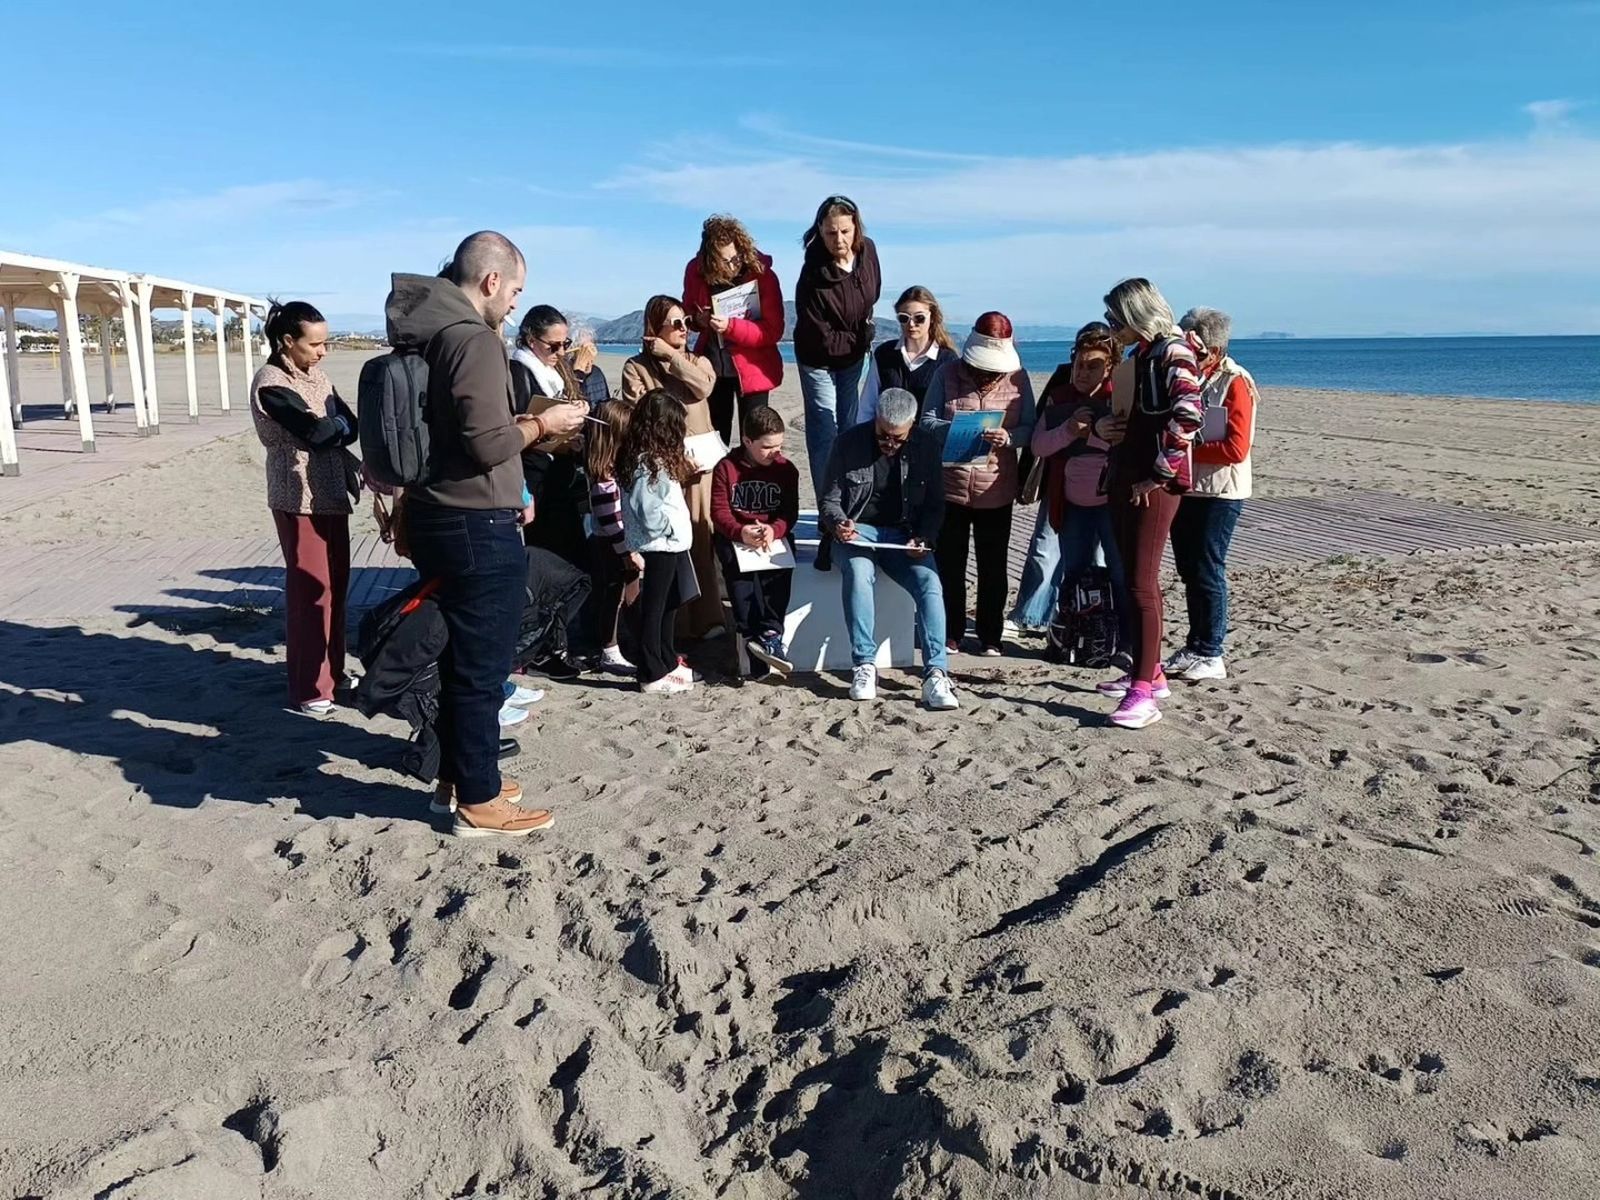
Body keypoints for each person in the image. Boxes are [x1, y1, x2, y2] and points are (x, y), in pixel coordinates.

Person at [386, 231, 584, 835]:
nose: (516, 304)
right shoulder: (471, 339)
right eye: (516, 291)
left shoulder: (429, 331)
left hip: (439, 510)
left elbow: (459, 433)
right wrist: (542, 423)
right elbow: (484, 443)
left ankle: (458, 778)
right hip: (475, 519)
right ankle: (479, 798)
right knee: (481, 663)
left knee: (461, 657)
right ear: (491, 281)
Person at [1095, 278, 1205, 729]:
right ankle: (1150, 671)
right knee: (1133, 577)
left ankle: (1144, 690)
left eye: (1115, 318)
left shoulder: (1173, 352)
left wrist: (1158, 474)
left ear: (1136, 313)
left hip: (1152, 483)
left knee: (1142, 582)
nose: (1110, 327)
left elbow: (1189, 413)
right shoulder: (1141, 355)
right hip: (1128, 475)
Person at [249, 300, 359, 718]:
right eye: (315, 344)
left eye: (326, 343)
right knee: (311, 591)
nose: (322, 351)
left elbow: (349, 424)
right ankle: (309, 687)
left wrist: (335, 430)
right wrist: (332, 430)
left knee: (337, 587)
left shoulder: (320, 376)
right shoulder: (271, 381)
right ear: (287, 341)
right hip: (297, 498)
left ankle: (334, 674)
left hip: (331, 492)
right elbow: (316, 430)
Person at [819, 387, 958, 711]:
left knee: (930, 583)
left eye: (898, 438)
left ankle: (936, 673)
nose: (890, 444)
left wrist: (925, 538)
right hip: (858, 530)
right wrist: (839, 523)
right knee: (858, 569)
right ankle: (864, 665)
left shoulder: (926, 446)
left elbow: (936, 505)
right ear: (875, 421)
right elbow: (829, 500)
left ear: (911, 428)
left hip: (904, 533)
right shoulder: (848, 443)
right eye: (884, 435)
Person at [923, 312, 1037, 657]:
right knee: (951, 565)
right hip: (951, 486)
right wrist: (954, 429)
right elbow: (925, 421)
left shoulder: (1018, 379)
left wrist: (1009, 437)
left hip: (996, 488)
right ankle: (952, 632)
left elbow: (1031, 427)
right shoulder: (946, 373)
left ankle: (991, 635)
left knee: (993, 567)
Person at [619, 296, 725, 640]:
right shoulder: (636, 367)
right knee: (665, 550)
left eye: (687, 323)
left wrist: (673, 358)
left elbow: (704, 386)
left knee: (701, 543)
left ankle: (709, 619)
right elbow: (639, 416)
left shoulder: (698, 360)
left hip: (702, 465)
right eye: (675, 324)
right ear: (655, 329)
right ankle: (673, 625)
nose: (684, 329)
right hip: (661, 468)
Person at [1011, 322, 1121, 633]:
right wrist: (1070, 430)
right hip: (1067, 494)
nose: (1084, 372)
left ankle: (1111, 626)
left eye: (1094, 366)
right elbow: (1039, 445)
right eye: (1079, 364)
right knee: (1066, 561)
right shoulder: (1061, 395)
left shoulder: (1122, 399)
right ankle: (1055, 620)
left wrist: (1098, 435)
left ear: (1111, 367)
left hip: (1110, 499)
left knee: (1111, 565)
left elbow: (1129, 449)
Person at [1167, 306, 1258, 683]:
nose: (1192, 357)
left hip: (1220, 491)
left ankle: (1211, 650)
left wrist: (1183, 444)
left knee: (1208, 568)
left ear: (1215, 350)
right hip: (1189, 486)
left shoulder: (1235, 381)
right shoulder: (1189, 376)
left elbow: (1236, 447)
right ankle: (1196, 643)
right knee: (1190, 569)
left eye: (1198, 351)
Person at [794, 195, 882, 541]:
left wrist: (864, 335)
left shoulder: (869, 251)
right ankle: (827, 513)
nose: (839, 240)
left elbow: (872, 295)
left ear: (856, 227)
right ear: (819, 232)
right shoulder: (813, 273)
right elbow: (823, 336)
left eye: (845, 231)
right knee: (825, 431)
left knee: (850, 428)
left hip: (852, 356)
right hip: (817, 358)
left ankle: (852, 504)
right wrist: (861, 339)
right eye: (831, 233)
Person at [618, 389, 699, 694]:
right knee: (654, 607)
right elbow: (646, 507)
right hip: (660, 544)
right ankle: (651, 670)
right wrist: (667, 529)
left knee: (669, 605)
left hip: (670, 543)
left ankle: (665, 658)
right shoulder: (646, 462)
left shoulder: (653, 459)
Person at [711, 405, 799, 678]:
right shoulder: (726, 468)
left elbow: (789, 512)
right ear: (748, 441)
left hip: (771, 536)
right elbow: (719, 512)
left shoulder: (786, 469)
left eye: (779, 445)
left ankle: (772, 633)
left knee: (778, 579)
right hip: (737, 538)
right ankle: (751, 639)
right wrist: (741, 532)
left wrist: (775, 530)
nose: (775, 453)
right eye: (767, 447)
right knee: (742, 587)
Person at [683, 214, 785, 444]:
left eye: (736, 258)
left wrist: (731, 327)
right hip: (713, 366)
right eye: (724, 261)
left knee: (755, 439)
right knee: (716, 438)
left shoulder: (762, 274)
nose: (732, 265)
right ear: (709, 259)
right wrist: (698, 319)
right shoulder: (695, 271)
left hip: (753, 369)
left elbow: (773, 330)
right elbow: (687, 311)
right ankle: (722, 480)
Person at [509, 305, 590, 569]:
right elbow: (516, 430)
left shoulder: (556, 371)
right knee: (547, 556)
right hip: (537, 479)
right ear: (531, 340)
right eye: (552, 346)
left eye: (565, 344)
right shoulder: (518, 372)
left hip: (561, 475)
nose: (561, 352)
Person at [585, 398, 641, 676]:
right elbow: (610, 521)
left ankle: (634, 642)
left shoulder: (615, 467)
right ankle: (610, 648)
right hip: (612, 545)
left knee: (631, 594)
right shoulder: (603, 475)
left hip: (622, 541)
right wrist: (627, 552)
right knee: (614, 595)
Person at [857, 285, 959, 426]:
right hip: (886, 441)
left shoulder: (947, 360)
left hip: (927, 442)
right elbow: (867, 406)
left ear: (933, 317)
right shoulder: (884, 354)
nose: (911, 324)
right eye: (904, 318)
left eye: (919, 318)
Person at [570, 336, 611, 410]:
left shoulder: (597, 372)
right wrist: (578, 371)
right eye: (585, 351)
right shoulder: (566, 373)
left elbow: (606, 401)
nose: (590, 355)